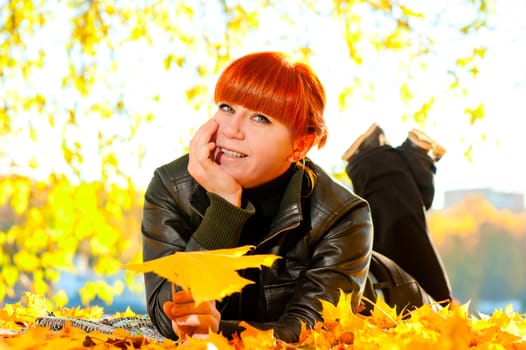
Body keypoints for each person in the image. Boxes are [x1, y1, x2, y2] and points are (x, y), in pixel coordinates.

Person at [141, 52, 373, 344]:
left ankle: (383, 163)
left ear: (300, 144)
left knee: (398, 219)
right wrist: (223, 207)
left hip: (383, 286)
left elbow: (315, 332)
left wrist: (221, 331)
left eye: (260, 118)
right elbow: (166, 315)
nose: (231, 130)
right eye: (226, 107)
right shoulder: (171, 187)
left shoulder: (342, 215)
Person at [342, 123, 454, 305]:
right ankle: (407, 159)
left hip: (401, 304)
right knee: (437, 304)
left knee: (435, 302)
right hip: (421, 310)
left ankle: (387, 160)